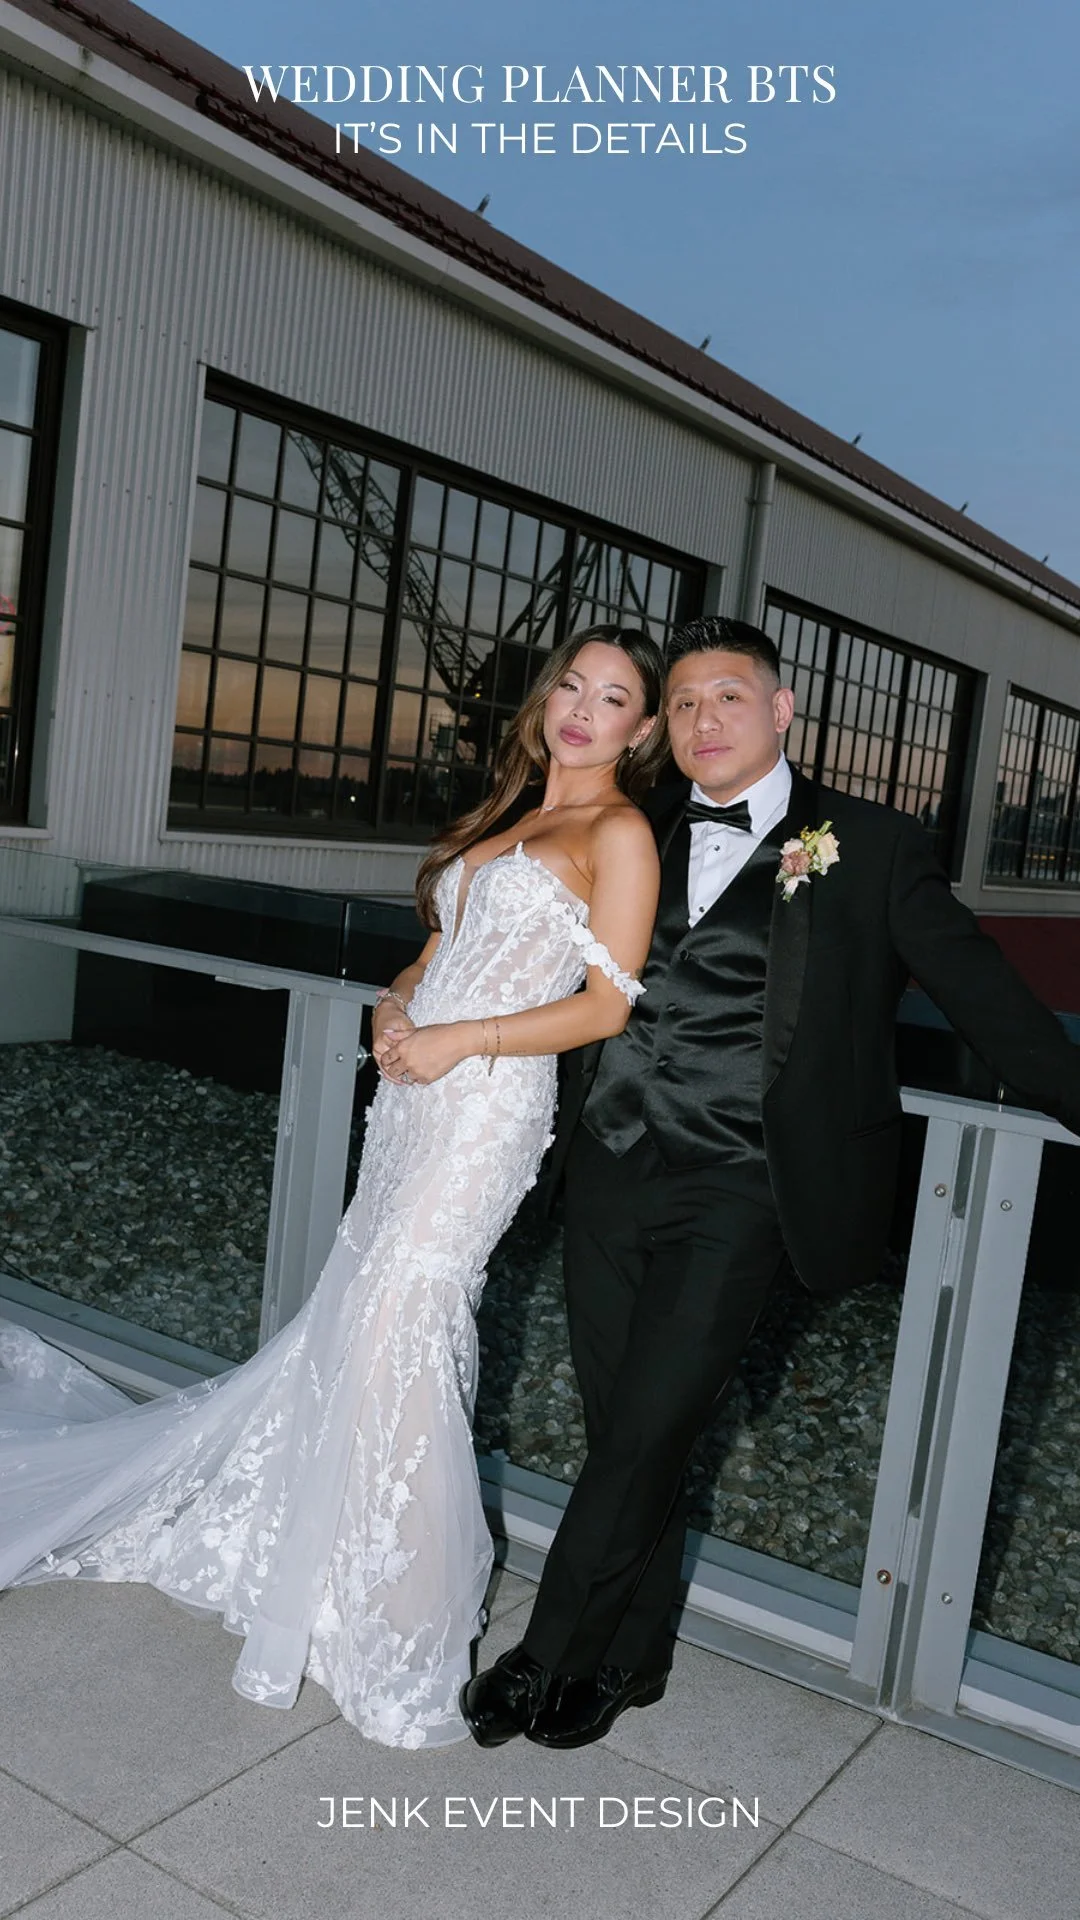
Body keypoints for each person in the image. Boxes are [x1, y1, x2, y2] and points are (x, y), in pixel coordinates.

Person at [0, 625, 666, 1750]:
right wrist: (396, 1008)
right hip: (412, 1096)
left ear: (640, 730)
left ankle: (397, 1619)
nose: (581, 709)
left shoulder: (619, 830)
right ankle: (319, 1568)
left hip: (485, 1110)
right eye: (571, 684)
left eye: (612, 698)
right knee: (358, 1316)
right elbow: (433, 954)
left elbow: (607, 1004)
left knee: (409, 1322)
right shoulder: (505, 816)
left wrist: (460, 1041)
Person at [460, 612, 1080, 1751]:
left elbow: (985, 995)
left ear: (782, 709)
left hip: (745, 1185)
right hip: (611, 1160)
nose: (705, 721)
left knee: (647, 1426)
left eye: (730, 698)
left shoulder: (871, 845)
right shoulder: (633, 819)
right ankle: (632, 1658)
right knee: (625, 1428)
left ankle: (544, 1656)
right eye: (685, 703)